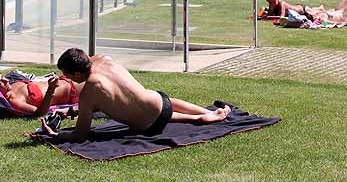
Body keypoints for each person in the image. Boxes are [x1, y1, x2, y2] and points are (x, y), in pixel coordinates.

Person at [40, 48, 230, 142]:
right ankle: (208, 112)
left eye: (68, 75)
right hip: (158, 98)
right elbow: (111, 99)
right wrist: (72, 111)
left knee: (162, 115)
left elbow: (80, 135)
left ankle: (200, 117)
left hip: (150, 123)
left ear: (78, 73)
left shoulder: (89, 90)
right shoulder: (104, 59)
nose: (67, 78)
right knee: (166, 105)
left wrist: (56, 135)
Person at [0, 71, 82, 116]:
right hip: (73, 90)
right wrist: (50, 90)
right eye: (1, 82)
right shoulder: (14, 102)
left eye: (3, 76)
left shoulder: (12, 85)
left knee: (95, 58)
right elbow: (39, 113)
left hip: (65, 78)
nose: (6, 80)